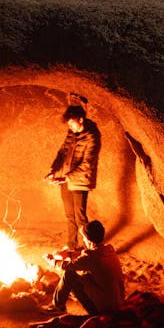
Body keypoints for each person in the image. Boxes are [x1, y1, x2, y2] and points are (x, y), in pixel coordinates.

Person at [44, 104, 101, 250]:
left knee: (80, 217)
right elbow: (62, 152)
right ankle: (71, 245)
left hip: (79, 182)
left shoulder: (92, 137)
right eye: (68, 124)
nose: (69, 127)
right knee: (69, 215)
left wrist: (67, 178)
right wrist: (53, 170)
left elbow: (87, 164)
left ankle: (90, 247)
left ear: (80, 119)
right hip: (65, 179)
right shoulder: (71, 133)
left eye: (71, 123)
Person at [42, 220, 125, 315]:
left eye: (84, 238)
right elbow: (85, 256)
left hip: (105, 310)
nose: (83, 240)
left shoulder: (91, 257)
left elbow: (66, 266)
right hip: (118, 303)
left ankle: (58, 306)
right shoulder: (108, 249)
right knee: (83, 274)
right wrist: (67, 254)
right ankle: (60, 303)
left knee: (70, 273)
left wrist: (51, 260)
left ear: (89, 240)